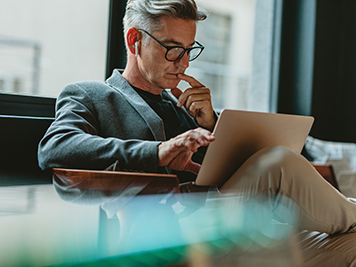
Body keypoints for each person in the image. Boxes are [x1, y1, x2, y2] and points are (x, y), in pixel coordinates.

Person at [38, 0, 356, 265]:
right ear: (134, 40)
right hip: (169, 233)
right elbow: (55, 147)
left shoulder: (185, 106)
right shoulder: (90, 95)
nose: (185, 63)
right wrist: (156, 152)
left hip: (233, 227)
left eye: (191, 49)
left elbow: (224, 173)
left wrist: (212, 125)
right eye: (174, 49)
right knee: (278, 163)